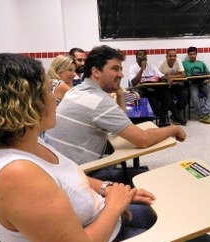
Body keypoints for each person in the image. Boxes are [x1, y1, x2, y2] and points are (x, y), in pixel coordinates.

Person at [0, 53, 210, 242]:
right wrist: (114, 206)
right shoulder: (18, 174)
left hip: (102, 218)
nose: (54, 97)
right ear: (22, 103)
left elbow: (70, 176)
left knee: (175, 216)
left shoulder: (26, 143)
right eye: (46, 89)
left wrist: (107, 189)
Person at [45, 46, 186, 174]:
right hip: (79, 175)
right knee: (144, 176)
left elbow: (120, 119)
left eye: (121, 69)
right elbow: (143, 139)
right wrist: (174, 129)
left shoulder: (77, 90)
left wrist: (120, 94)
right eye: (115, 69)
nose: (121, 75)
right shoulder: (99, 101)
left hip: (59, 169)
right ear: (96, 72)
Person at [130, 50, 186, 126]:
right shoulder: (133, 68)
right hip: (142, 91)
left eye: (144, 55)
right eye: (140, 55)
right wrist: (142, 69)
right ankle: (163, 119)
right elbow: (134, 82)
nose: (143, 56)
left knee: (166, 95)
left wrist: (167, 78)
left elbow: (161, 75)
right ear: (136, 58)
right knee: (151, 98)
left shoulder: (151, 66)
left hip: (154, 89)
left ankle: (162, 118)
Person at [182, 46, 210, 124]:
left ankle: (204, 114)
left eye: (194, 54)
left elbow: (208, 74)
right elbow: (180, 73)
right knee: (194, 96)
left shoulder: (201, 63)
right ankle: (202, 115)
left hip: (203, 83)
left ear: (196, 54)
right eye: (190, 54)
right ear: (188, 55)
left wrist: (208, 80)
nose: (192, 56)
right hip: (192, 84)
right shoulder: (184, 63)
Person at [158, 49, 188, 125]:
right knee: (168, 96)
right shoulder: (161, 64)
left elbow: (183, 74)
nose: (172, 58)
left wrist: (171, 76)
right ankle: (178, 115)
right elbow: (156, 76)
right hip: (164, 86)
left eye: (174, 56)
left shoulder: (178, 61)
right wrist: (165, 78)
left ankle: (175, 115)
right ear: (166, 57)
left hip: (175, 85)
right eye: (170, 56)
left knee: (184, 93)